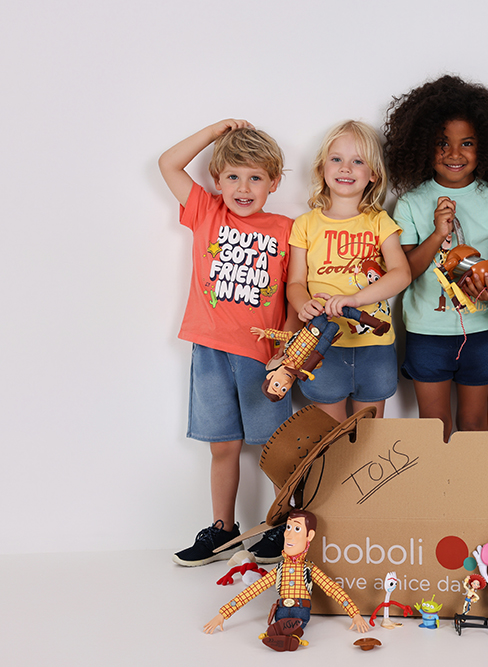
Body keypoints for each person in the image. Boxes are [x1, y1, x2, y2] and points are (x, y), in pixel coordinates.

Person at [159, 119, 293, 567]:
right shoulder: (206, 211)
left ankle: (283, 527)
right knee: (223, 446)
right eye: (233, 176)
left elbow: (296, 291)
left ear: (274, 182)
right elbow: (168, 163)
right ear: (217, 180)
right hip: (211, 351)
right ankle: (223, 531)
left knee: (275, 449)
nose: (243, 187)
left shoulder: (287, 229)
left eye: (255, 177)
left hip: (264, 357)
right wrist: (215, 132)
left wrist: (287, 350)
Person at [384, 75, 488, 440]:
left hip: (479, 331)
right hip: (426, 333)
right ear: (422, 145)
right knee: (434, 428)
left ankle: (477, 484)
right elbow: (405, 272)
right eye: (442, 143)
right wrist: (437, 234)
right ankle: (437, 484)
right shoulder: (411, 203)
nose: (454, 154)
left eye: (467, 143)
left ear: (485, 147)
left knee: (475, 426)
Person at [285, 120, 410, 420]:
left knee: (371, 436)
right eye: (336, 159)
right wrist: (304, 305)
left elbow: (401, 274)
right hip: (322, 343)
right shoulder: (305, 225)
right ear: (322, 169)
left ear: (373, 175)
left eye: (358, 162)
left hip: (374, 344)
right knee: (332, 436)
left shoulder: (379, 221)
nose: (345, 168)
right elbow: (295, 283)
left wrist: (355, 300)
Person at [203, 510, 369, 652]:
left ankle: (285, 636)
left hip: (300, 610)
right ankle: (282, 635)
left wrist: (354, 613)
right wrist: (223, 614)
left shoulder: (309, 569)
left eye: (297, 528)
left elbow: (332, 589)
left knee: (294, 625)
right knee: (283, 623)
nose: (289, 534)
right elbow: (253, 590)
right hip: (281, 610)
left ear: (309, 536)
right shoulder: (280, 569)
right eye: (288, 527)